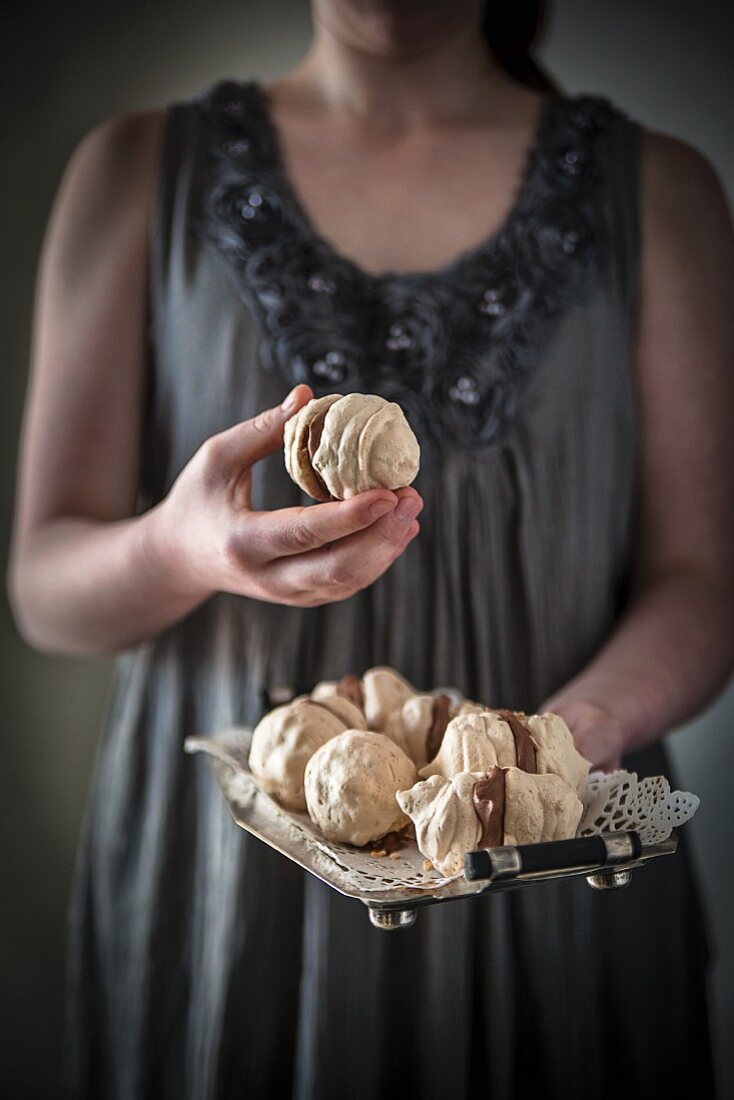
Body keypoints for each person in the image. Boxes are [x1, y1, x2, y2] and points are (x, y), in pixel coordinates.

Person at [8, 0, 733, 1096]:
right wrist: (179, 550)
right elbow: (42, 588)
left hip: (542, 882)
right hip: (229, 880)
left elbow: (705, 580)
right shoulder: (130, 172)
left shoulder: (663, 194)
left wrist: (562, 747)